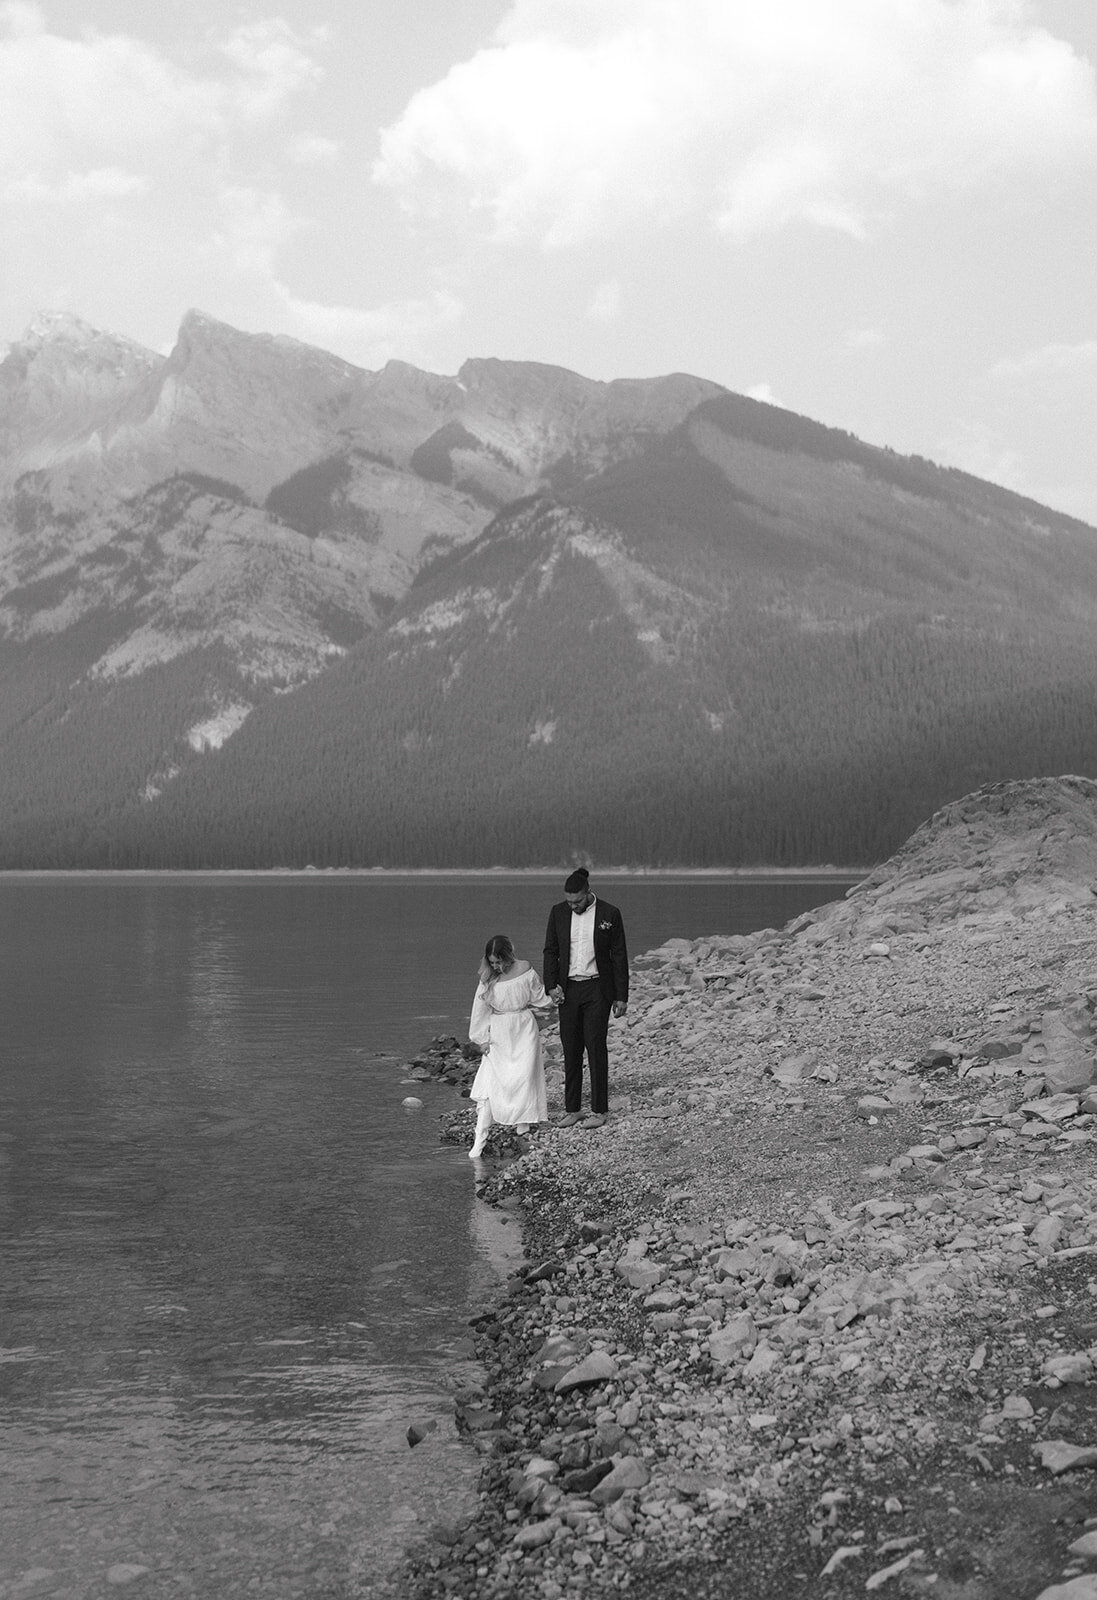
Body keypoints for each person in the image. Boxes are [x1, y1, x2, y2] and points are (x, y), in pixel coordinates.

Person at [543, 867, 629, 1129]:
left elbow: (619, 955)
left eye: (577, 901)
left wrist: (621, 996)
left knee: (595, 1047)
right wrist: (550, 985)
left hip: (597, 988)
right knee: (570, 1049)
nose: (573, 906)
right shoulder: (558, 912)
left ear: (588, 893)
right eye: (569, 901)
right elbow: (551, 951)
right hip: (568, 989)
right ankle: (573, 1109)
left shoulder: (609, 913)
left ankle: (599, 1110)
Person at [467, 934, 550, 1159]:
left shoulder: (525, 970)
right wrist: (480, 1039)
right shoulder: (487, 978)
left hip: (524, 1027)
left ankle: (522, 1122)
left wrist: (557, 998)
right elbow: (479, 1011)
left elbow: (539, 997)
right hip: (499, 1031)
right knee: (488, 1084)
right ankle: (479, 1138)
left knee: (523, 1076)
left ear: (509, 956)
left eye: (499, 962)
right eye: (492, 962)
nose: (496, 966)